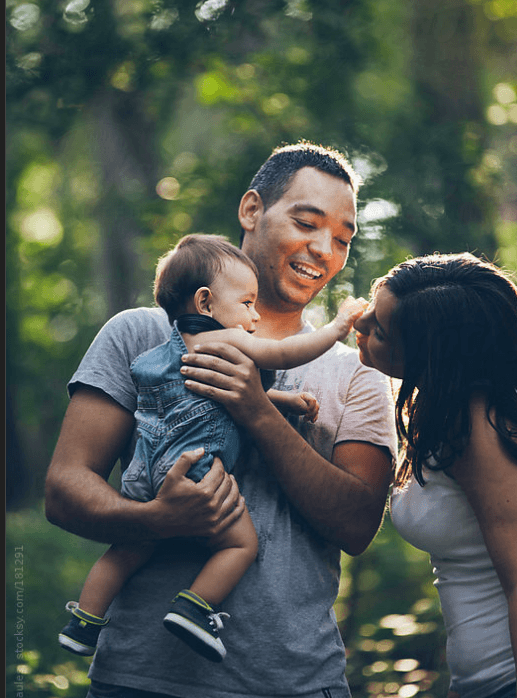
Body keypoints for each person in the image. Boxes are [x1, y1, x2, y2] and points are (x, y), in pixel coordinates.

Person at [45, 141, 398, 698]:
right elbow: (64, 489)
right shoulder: (139, 333)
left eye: (343, 239)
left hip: (295, 684)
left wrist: (258, 412)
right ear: (252, 210)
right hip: (139, 681)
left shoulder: (357, 372)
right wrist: (156, 520)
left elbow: (357, 526)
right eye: (306, 222)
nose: (323, 248)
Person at [58, 232, 366, 662]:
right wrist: (336, 327)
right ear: (205, 304)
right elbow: (284, 354)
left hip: (146, 472)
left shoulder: (169, 350)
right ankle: (194, 607)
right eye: (246, 304)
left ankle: (85, 621)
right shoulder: (228, 341)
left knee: (129, 547)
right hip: (196, 467)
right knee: (240, 544)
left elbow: (216, 395)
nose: (254, 318)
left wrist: (283, 402)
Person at [353, 252, 517, 698]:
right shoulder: (453, 406)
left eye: (378, 328)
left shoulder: (483, 421)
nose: (358, 324)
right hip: (484, 681)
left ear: (428, 355)